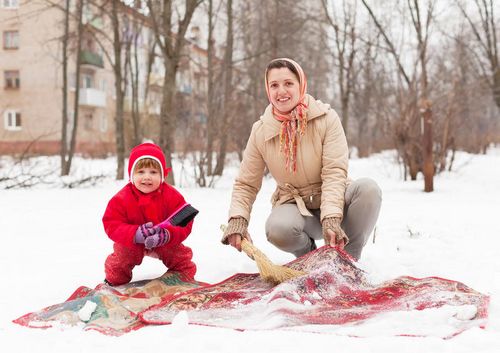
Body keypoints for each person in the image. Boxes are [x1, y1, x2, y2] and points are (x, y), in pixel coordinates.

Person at [221, 58, 382, 261]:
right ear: (267, 89)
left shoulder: (326, 118)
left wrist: (332, 217)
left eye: (288, 83)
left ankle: (348, 259)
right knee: (277, 228)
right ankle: (309, 259)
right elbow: (246, 182)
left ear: (301, 84)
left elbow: (334, 172)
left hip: (334, 200)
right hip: (297, 207)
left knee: (369, 189)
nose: (281, 91)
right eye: (274, 85)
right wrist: (238, 219)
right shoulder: (261, 131)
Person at [102, 142, 196, 286]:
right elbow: (111, 223)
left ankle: (183, 276)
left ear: (162, 175)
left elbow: (185, 221)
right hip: (133, 243)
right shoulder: (122, 198)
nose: (147, 177)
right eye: (141, 172)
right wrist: (134, 234)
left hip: (162, 240)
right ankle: (115, 280)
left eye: (153, 172)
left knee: (178, 254)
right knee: (121, 256)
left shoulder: (171, 196)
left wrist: (169, 234)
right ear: (132, 175)